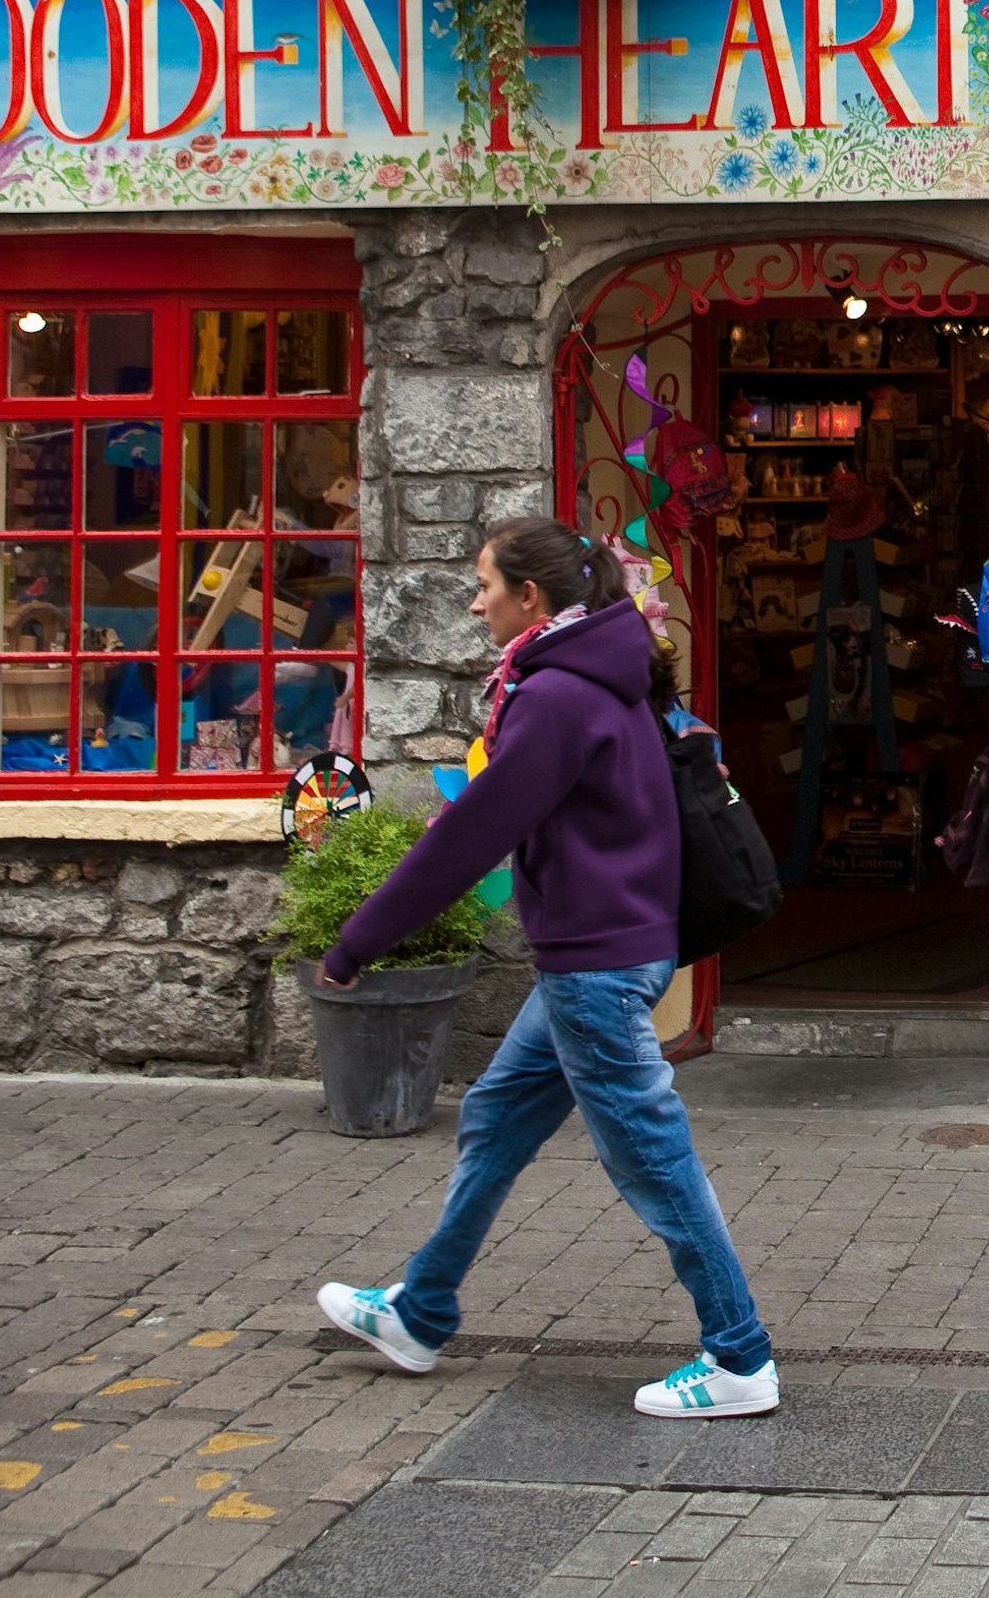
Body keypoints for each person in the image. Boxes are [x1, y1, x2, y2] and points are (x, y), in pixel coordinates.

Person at [309, 518, 780, 1419]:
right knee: (495, 1116)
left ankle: (739, 1356)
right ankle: (419, 1312)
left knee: (653, 1159)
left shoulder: (558, 696)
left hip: (595, 969)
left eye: (486, 584)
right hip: (610, 953)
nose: (475, 600)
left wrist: (358, 942)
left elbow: (467, 836)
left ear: (533, 599)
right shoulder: (603, 674)